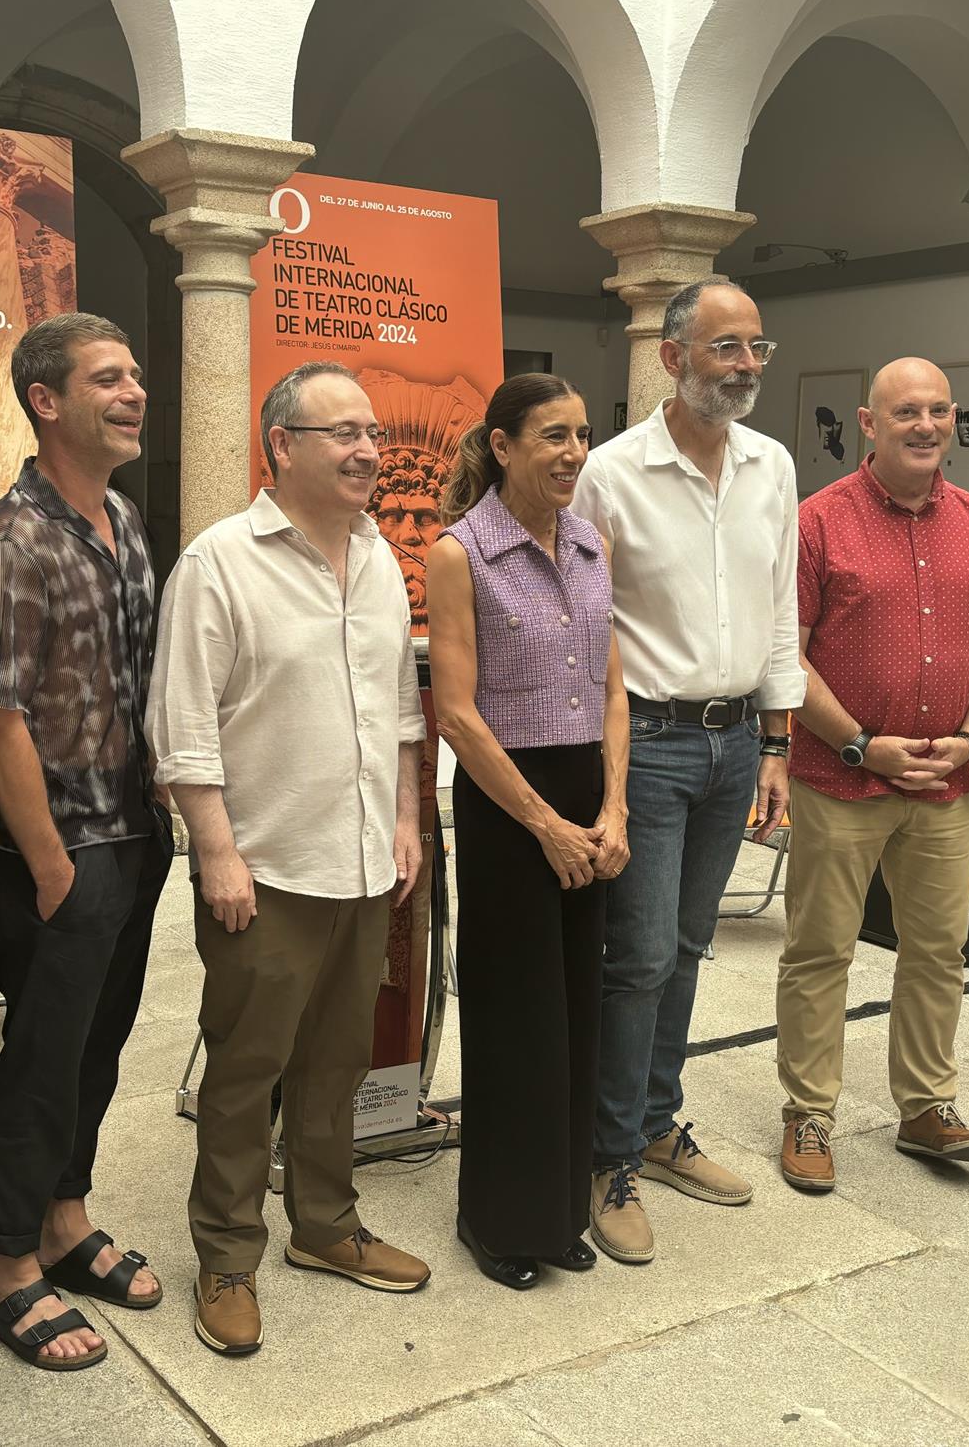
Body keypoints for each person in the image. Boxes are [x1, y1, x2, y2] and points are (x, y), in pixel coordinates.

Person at [148, 360, 430, 1359]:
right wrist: (214, 852)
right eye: (341, 433)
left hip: (361, 867)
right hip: (264, 870)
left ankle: (325, 1226)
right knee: (244, 1070)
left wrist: (406, 820)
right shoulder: (219, 563)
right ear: (283, 447)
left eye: (371, 433)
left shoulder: (380, 562)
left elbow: (401, 715)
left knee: (338, 1061)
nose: (366, 450)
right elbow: (182, 726)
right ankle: (227, 1256)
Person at [570, 279, 804, 1264]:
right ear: (673, 358)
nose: (746, 365)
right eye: (725, 348)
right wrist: (609, 775)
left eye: (757, 346)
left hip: (737, 739)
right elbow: (584, 629)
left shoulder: (772, 465)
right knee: (638, 959)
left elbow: (782, 607)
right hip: (650, 742)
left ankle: (658, 1123)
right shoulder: (611, 474)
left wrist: (781, 743)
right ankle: (606, 1155)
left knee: (694, 943)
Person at [0, 312, 174, 1371]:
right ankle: (6, 1267)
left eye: (135, 374)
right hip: (63, 852)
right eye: (108, 378)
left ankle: (64, 1217)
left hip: (137, 834)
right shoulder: (13, 539)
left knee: (99, 1048)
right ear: (47, 402)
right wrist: (47, 864)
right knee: (42, 1060)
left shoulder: (126, 524)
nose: (135, 391)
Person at [778, 358, 969, 1190]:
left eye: (940, 411)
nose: (926, 425)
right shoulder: (818, 522)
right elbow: (790, 654)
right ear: (868, 424)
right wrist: (859, 743)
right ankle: (809, 1114)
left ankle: (926, 1107)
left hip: (948, 782)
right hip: (842, 775)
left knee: (937, 951)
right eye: (906, 412)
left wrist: (968, 734)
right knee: (821, 951)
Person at [426, 374, 631, 1290]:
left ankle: (555, 1211)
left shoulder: (593, 543)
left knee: (577, 1011)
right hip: (511, 804)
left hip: (589, 796)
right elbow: (460, 717)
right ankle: (499, 1221)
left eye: (582, 435)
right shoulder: (459, 553)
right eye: (552, 435)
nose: (573, 453)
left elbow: (615, 689)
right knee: (519, 1018)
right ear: (502, 445)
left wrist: (613, 809)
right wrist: (547, 825)